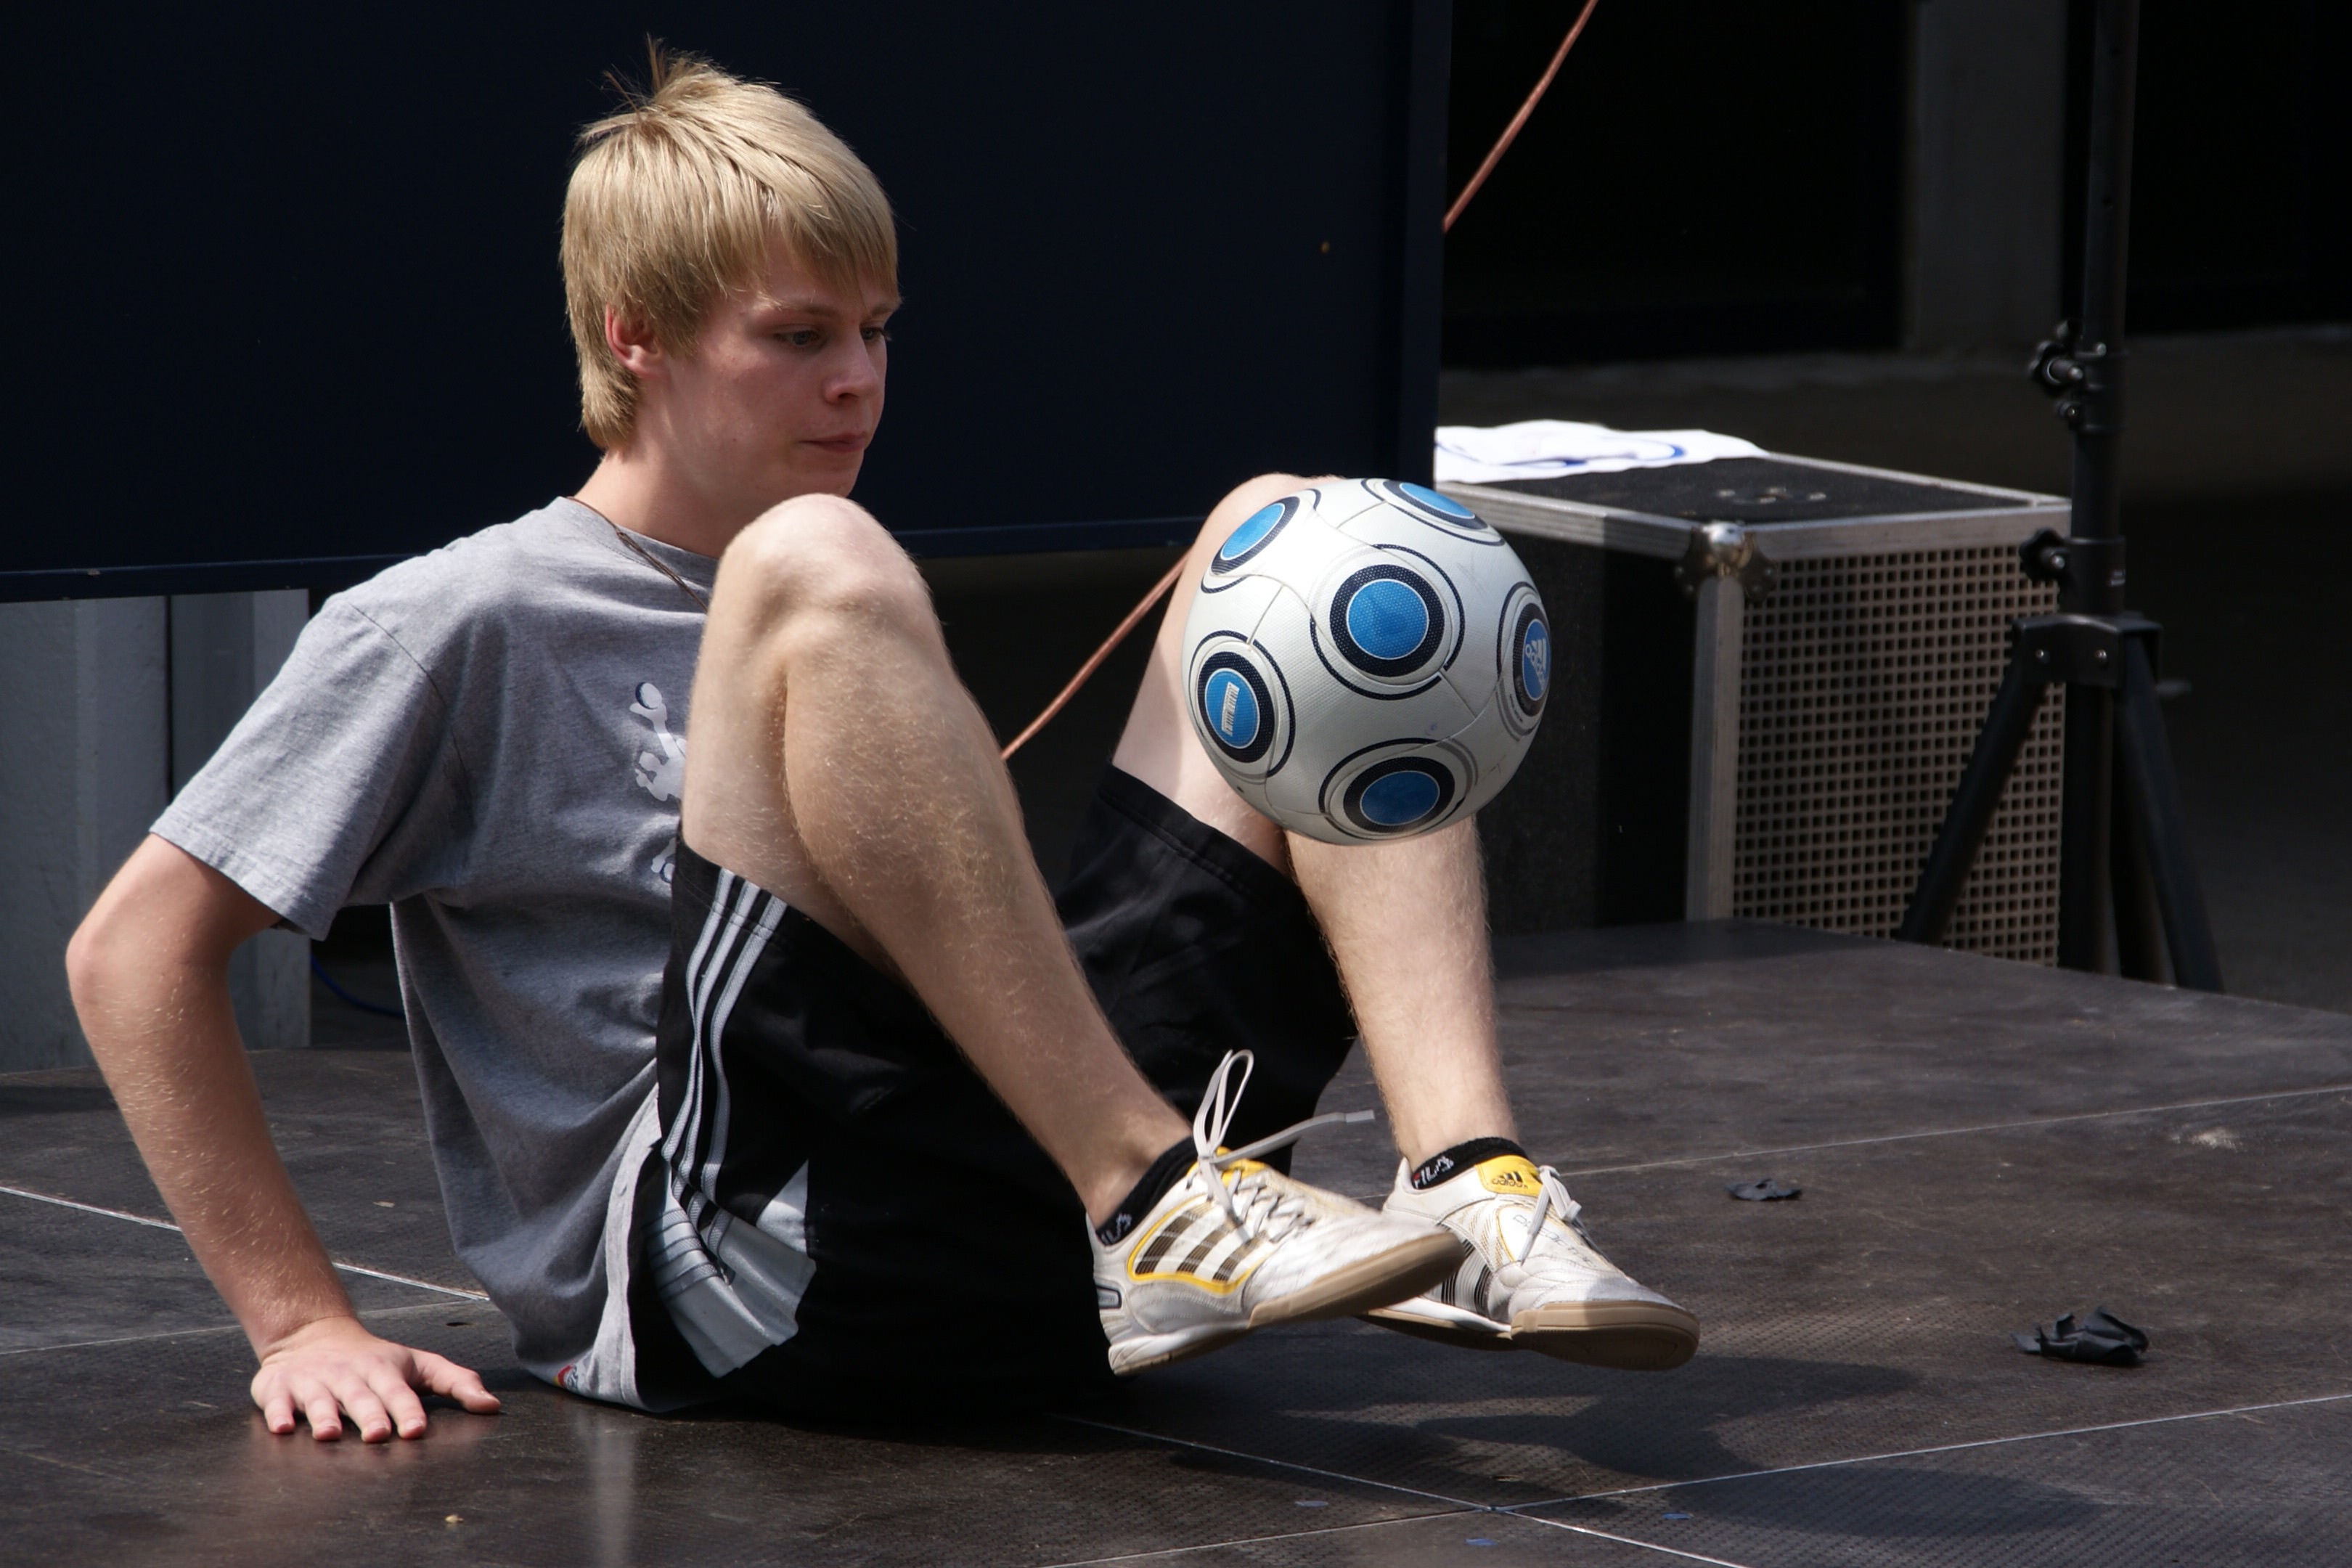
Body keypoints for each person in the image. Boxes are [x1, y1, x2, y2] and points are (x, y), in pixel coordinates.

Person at [66, 52, 1697, 1444]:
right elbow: (133, 954)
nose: (857, 382)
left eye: (877, 329)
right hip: (750, 1276)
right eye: (798, 336)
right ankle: (1154, 1200)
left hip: (1016, 1226)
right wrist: (299, 1322)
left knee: (1309, 546)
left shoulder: (819, 580)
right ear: (635, 336)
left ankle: (1468, 1180)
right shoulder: (462, 618)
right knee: (819, 559)